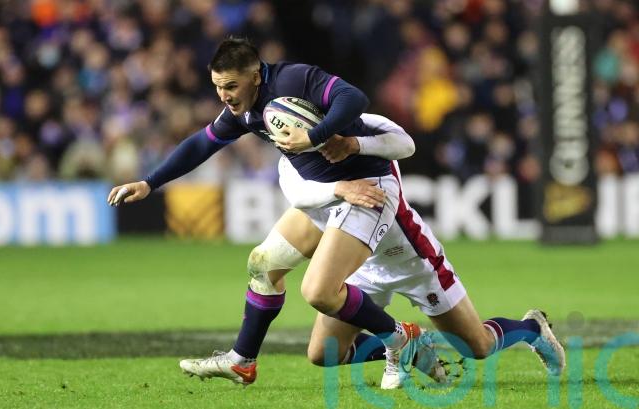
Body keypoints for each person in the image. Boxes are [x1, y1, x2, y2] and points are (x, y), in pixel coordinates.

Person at [108, 37, 430, 384]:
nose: (223, 95)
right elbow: (203, 143)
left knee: (319, 292)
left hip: (363, 189)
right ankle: (242, 360)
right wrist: (150, 182)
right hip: (328, 194)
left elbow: (353, 99)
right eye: (217, 87)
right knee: (263, 265)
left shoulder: (293, 80)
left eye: (231, 86)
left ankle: (402, 337)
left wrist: (316, 135)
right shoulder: (242, 111)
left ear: (255, 76)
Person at [178, 128, 565, 389]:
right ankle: (408, 343)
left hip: (411, 259)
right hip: (359, 260)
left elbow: (403, 144)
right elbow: (302, 202)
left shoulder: (364, 139)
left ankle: (531, 328)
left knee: (476, 346)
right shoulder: (305, 161)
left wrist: (355, 145)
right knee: (323, 354)